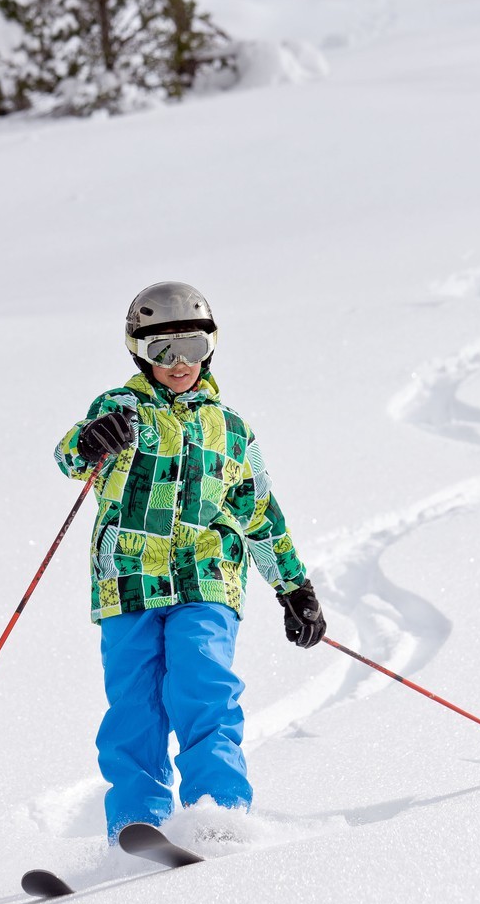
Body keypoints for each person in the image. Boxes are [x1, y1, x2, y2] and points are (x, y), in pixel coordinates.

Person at [55, 281, 326, 842]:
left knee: (203, 687)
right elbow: (69, 459)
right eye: (163, 351)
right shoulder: (120, 409)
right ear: (139, 352)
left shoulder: (231, 430)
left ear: (212, 347)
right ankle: (138, 828)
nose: (180, 364)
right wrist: (91, 442)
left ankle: (218, 814)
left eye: (194, 348)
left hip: (207, 577)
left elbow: (260, 513)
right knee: (134, 708)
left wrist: (293, 587)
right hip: (128, 582)